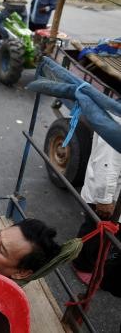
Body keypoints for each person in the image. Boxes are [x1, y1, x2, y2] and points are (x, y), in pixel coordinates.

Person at [72, 122, 121, 295]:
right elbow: (107, 162)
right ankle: (82, 264)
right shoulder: (117, 120)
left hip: (115, 195)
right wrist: (105, 198)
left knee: (107, 233)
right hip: (108, 196)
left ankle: (99, 262)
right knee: (94, 229)